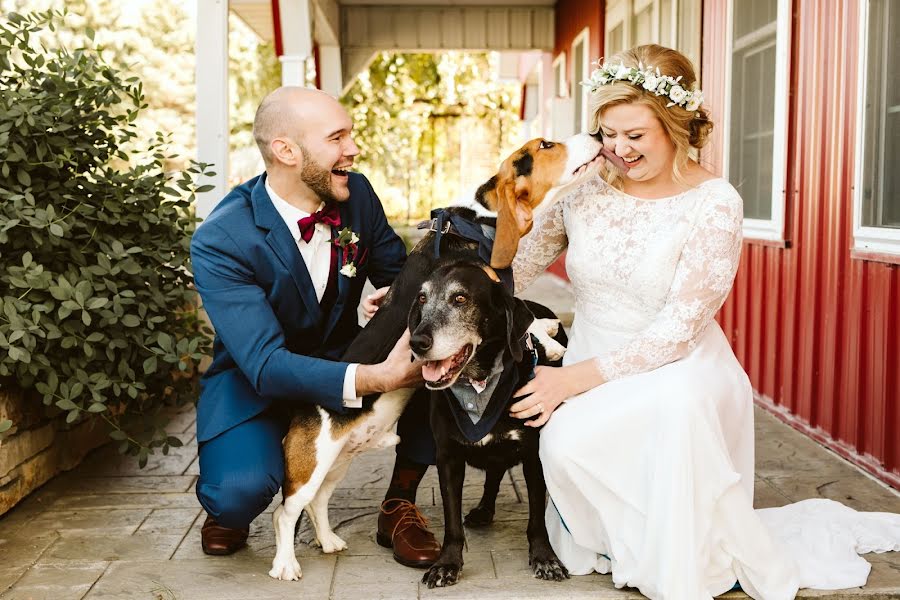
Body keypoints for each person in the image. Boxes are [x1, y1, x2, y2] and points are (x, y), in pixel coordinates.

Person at [507, 45, 900, 600]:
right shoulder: (585, 187)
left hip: (681, 365)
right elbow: (515, 274)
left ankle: (685, 556)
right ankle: (626, 540)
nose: (617, 149)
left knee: (676, 410)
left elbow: (678, 330)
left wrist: (569, 380)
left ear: (676, 127)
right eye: (607, 132)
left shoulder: (714, 202)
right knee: (567, 444)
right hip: (598, 349)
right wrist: (521, 218)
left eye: (636, 136)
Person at [190, 87, 441, 567]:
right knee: (236, 492)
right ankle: (241, 491)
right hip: (257, 382)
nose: (353, 148)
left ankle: (399, 503)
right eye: (337, 137)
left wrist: (399, 304)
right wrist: (376, 379)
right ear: (286, 150)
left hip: (344, 354)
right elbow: (263, 363)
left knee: (438, 353)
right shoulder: (222, 239)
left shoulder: (356, 193)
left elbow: (399, 277)